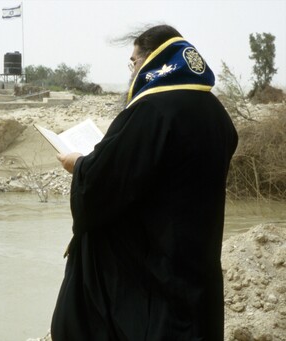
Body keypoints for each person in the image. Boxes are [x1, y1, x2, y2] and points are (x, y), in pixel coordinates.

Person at [52, 25, 238, 340]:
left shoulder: (151, 111)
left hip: (156, 266)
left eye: (134, 60)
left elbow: (100, 187)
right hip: (197, 259)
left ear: (155, 60)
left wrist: (79, 164)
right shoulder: (215, 111)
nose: (133, 69)